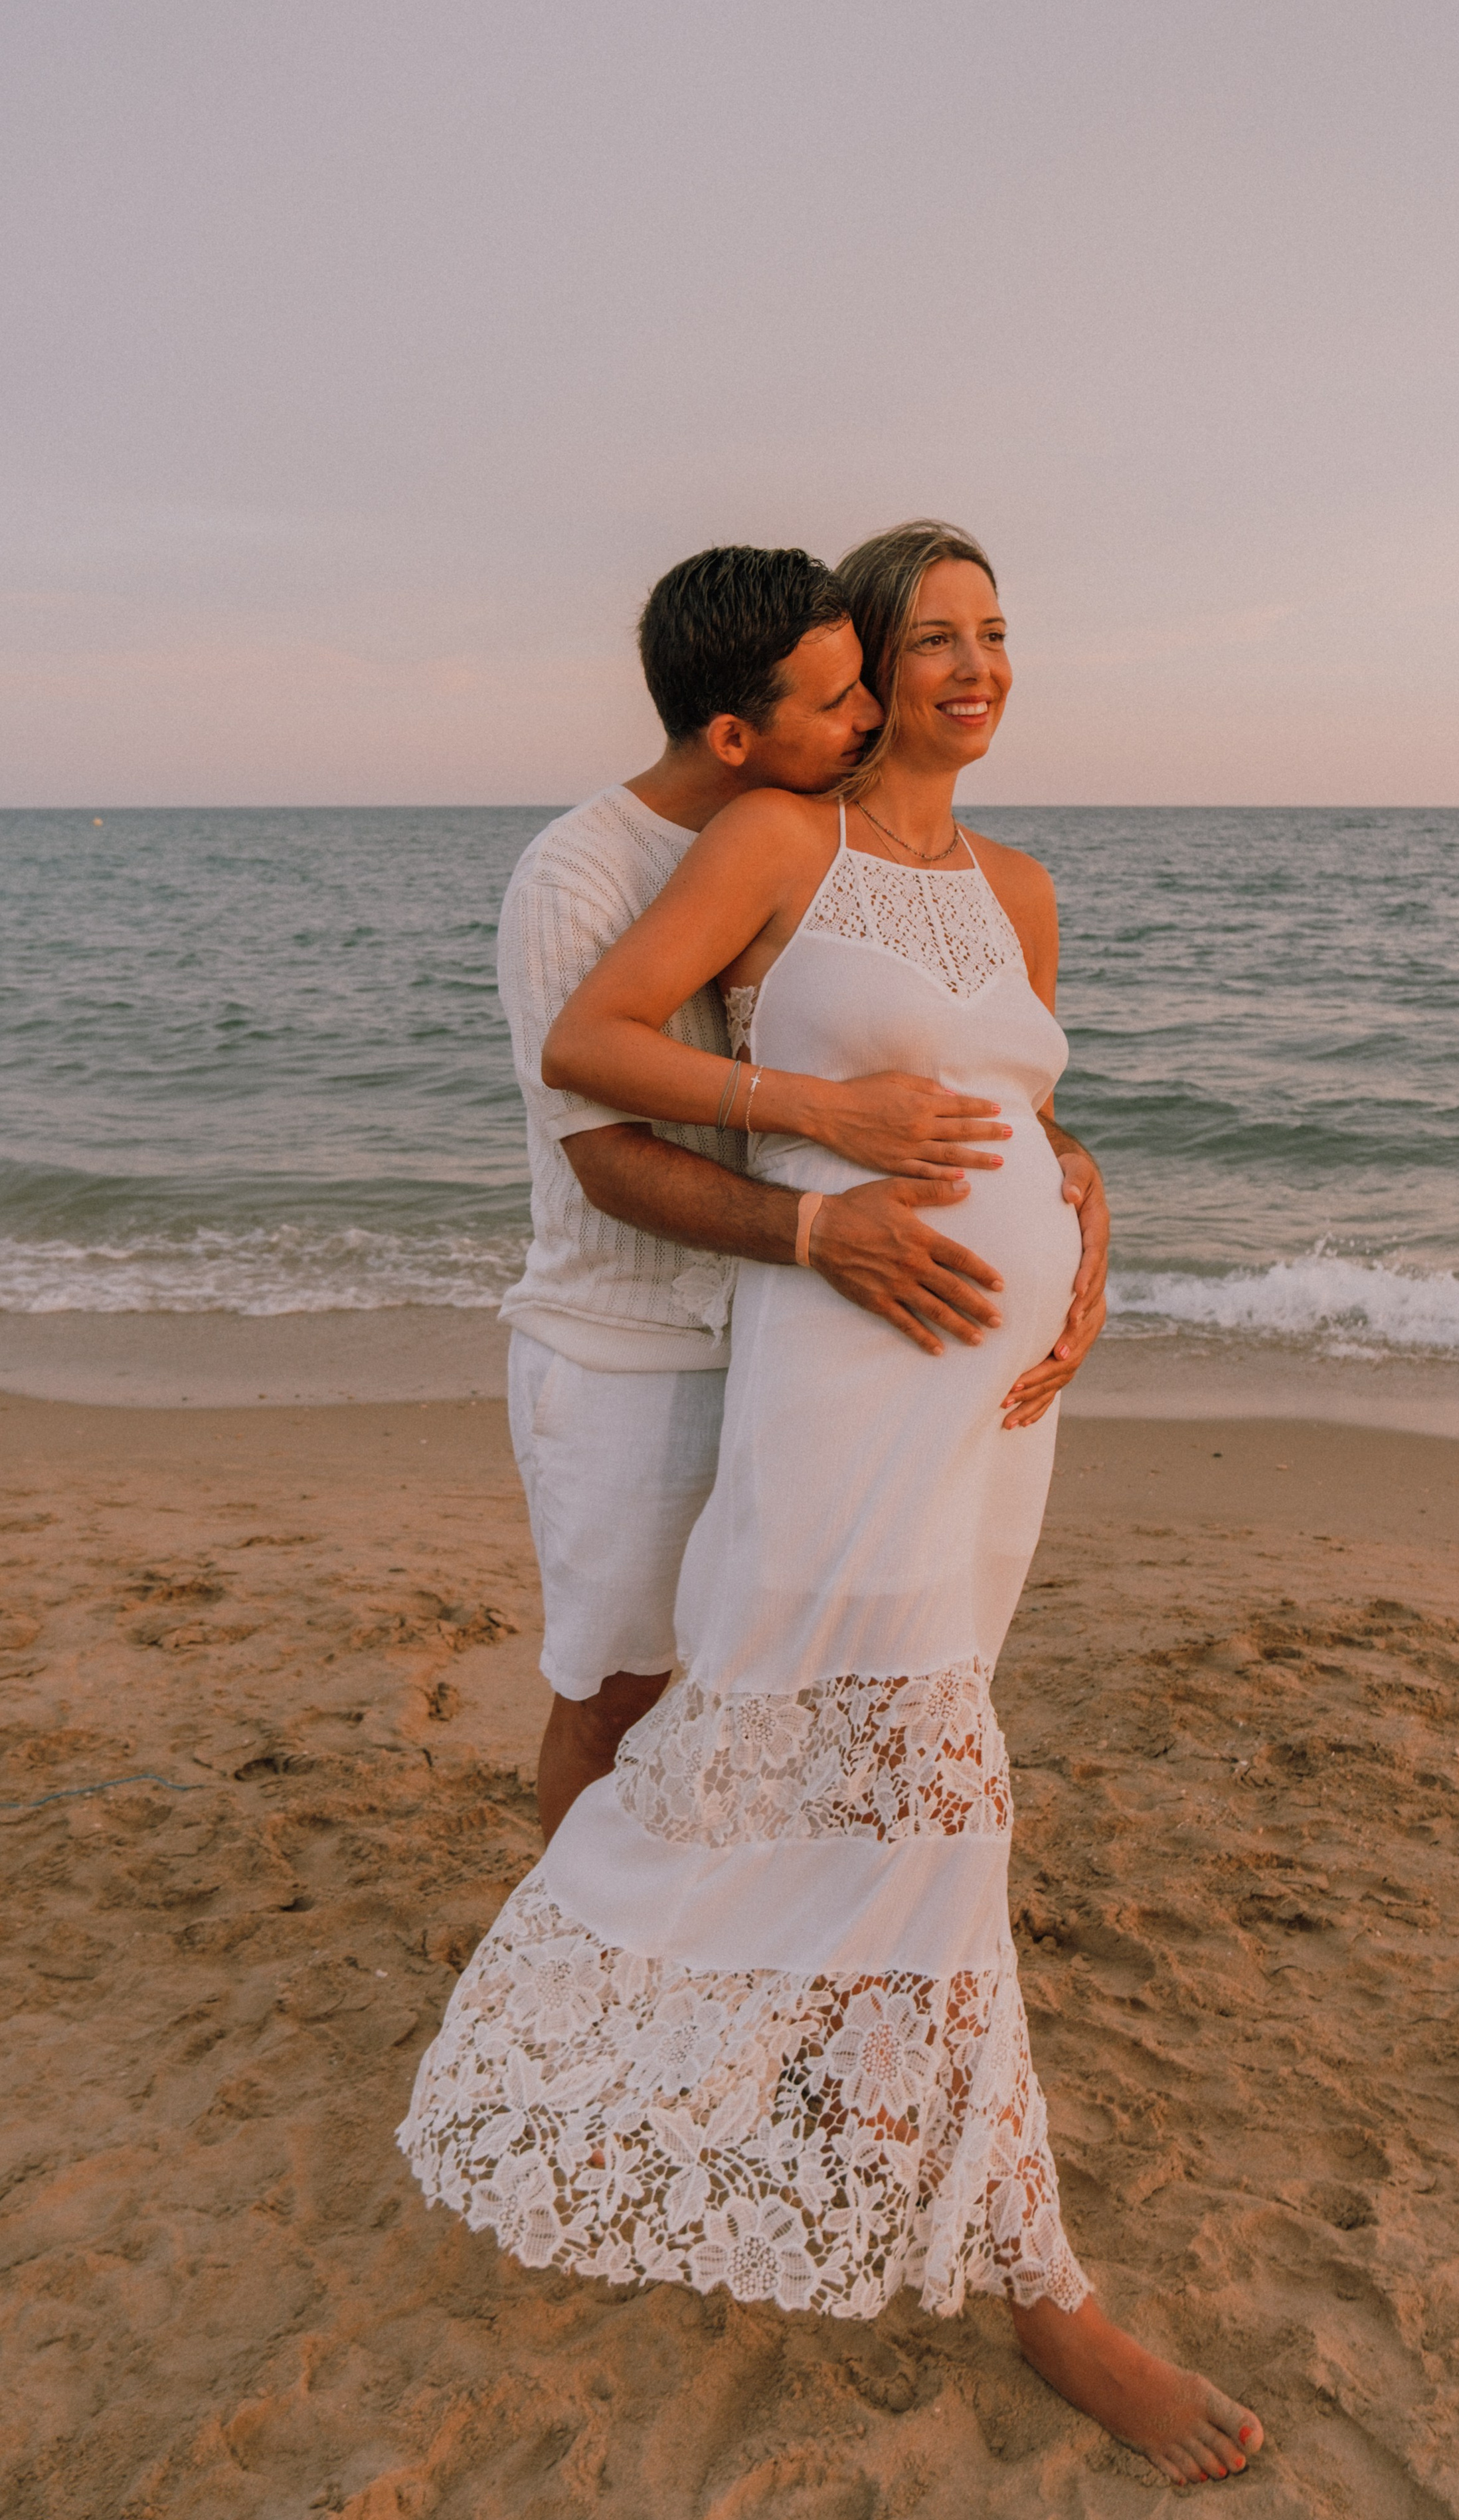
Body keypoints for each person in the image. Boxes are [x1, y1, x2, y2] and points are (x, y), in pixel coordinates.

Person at [400, 525, 1260, 2488]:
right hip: (828, 1374)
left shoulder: (1026, 887)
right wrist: (832, 1138)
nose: (967, 670)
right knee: (907, 1778)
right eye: (926, 641)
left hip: (996, 1411)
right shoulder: (774, 849)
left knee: (900, 1776)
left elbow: (1018, 1111)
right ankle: (1047, 2292)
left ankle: (813, 2087)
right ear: (853, 672)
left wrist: (1087, 1227)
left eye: (995, 635)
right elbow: (594, 1063)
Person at [493, 545, 1109, 1841]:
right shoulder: (592, 870)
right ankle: (620, 1969)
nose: (871, 716)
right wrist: (822, 1198)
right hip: (640, 1345)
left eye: (990, 632)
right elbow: (599, 1145)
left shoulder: (983, 874)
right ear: (733, 735)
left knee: (858, 1684)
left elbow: (999, 1080)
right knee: (624, 1690)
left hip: (847, 1332)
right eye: (842, 700)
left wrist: (1069, 1182)